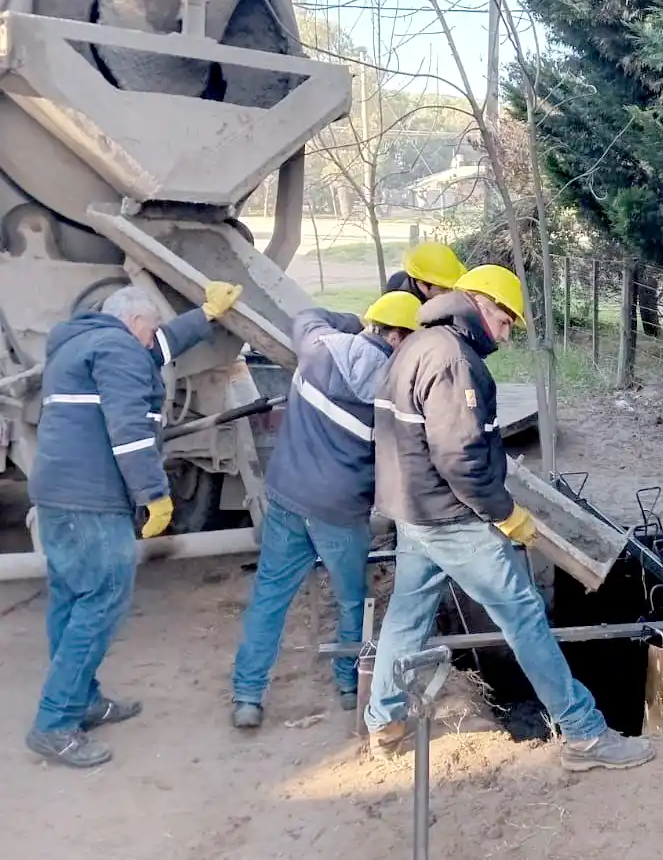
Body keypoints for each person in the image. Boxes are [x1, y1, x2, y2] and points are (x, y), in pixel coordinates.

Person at [367, 264, 655, 771]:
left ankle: (384, 720)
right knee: (525, 619)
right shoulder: (454, 359)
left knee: (407, 616)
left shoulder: (417, 343)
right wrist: (503, 514)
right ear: (481, 304)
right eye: (505, 321)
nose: (506, 333)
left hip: (413, 512)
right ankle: (585, 733)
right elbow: (459, 458)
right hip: (451, 517)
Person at [25, 280, 243, 768]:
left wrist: (205, 315)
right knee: (100, 602)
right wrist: (154, 495)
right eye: (152, 331)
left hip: (57, 494)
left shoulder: (84, 342)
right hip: (93, 500)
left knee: (71, 599)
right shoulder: (120, 351)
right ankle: (55, 722)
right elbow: (129, 434)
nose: (154, 340)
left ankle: (80, 700)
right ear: (135, 324)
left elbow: (155, 350)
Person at [230, 290, 422, 729]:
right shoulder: (393, 392)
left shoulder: (318, 347)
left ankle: (247, 696)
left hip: (286, 497)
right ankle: (348, 684)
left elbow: (308, 314)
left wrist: (350, 319)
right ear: (396, 338)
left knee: (269, 598)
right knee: (353, 599)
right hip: (340, 512)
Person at [384, 240, 466, 300]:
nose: (451, 293)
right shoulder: (402, 306)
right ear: (422, 285)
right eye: (443, 289)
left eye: (453, 288)